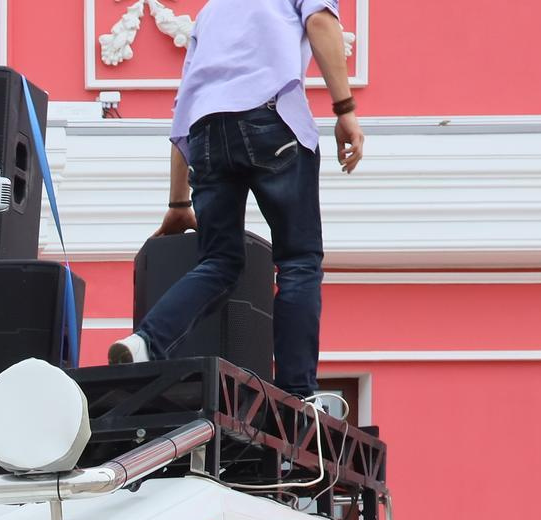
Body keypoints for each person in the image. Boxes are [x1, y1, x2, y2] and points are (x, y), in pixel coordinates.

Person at [107, 0, 362, 413]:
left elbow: (182, 111)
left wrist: (177, 201)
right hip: (269, 119)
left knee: (218, 262)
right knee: (298, 261)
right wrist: (345, 110)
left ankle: (146, 341)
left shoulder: (211, 12)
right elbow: (320, 21)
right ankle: (298, 395)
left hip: (205, 134)